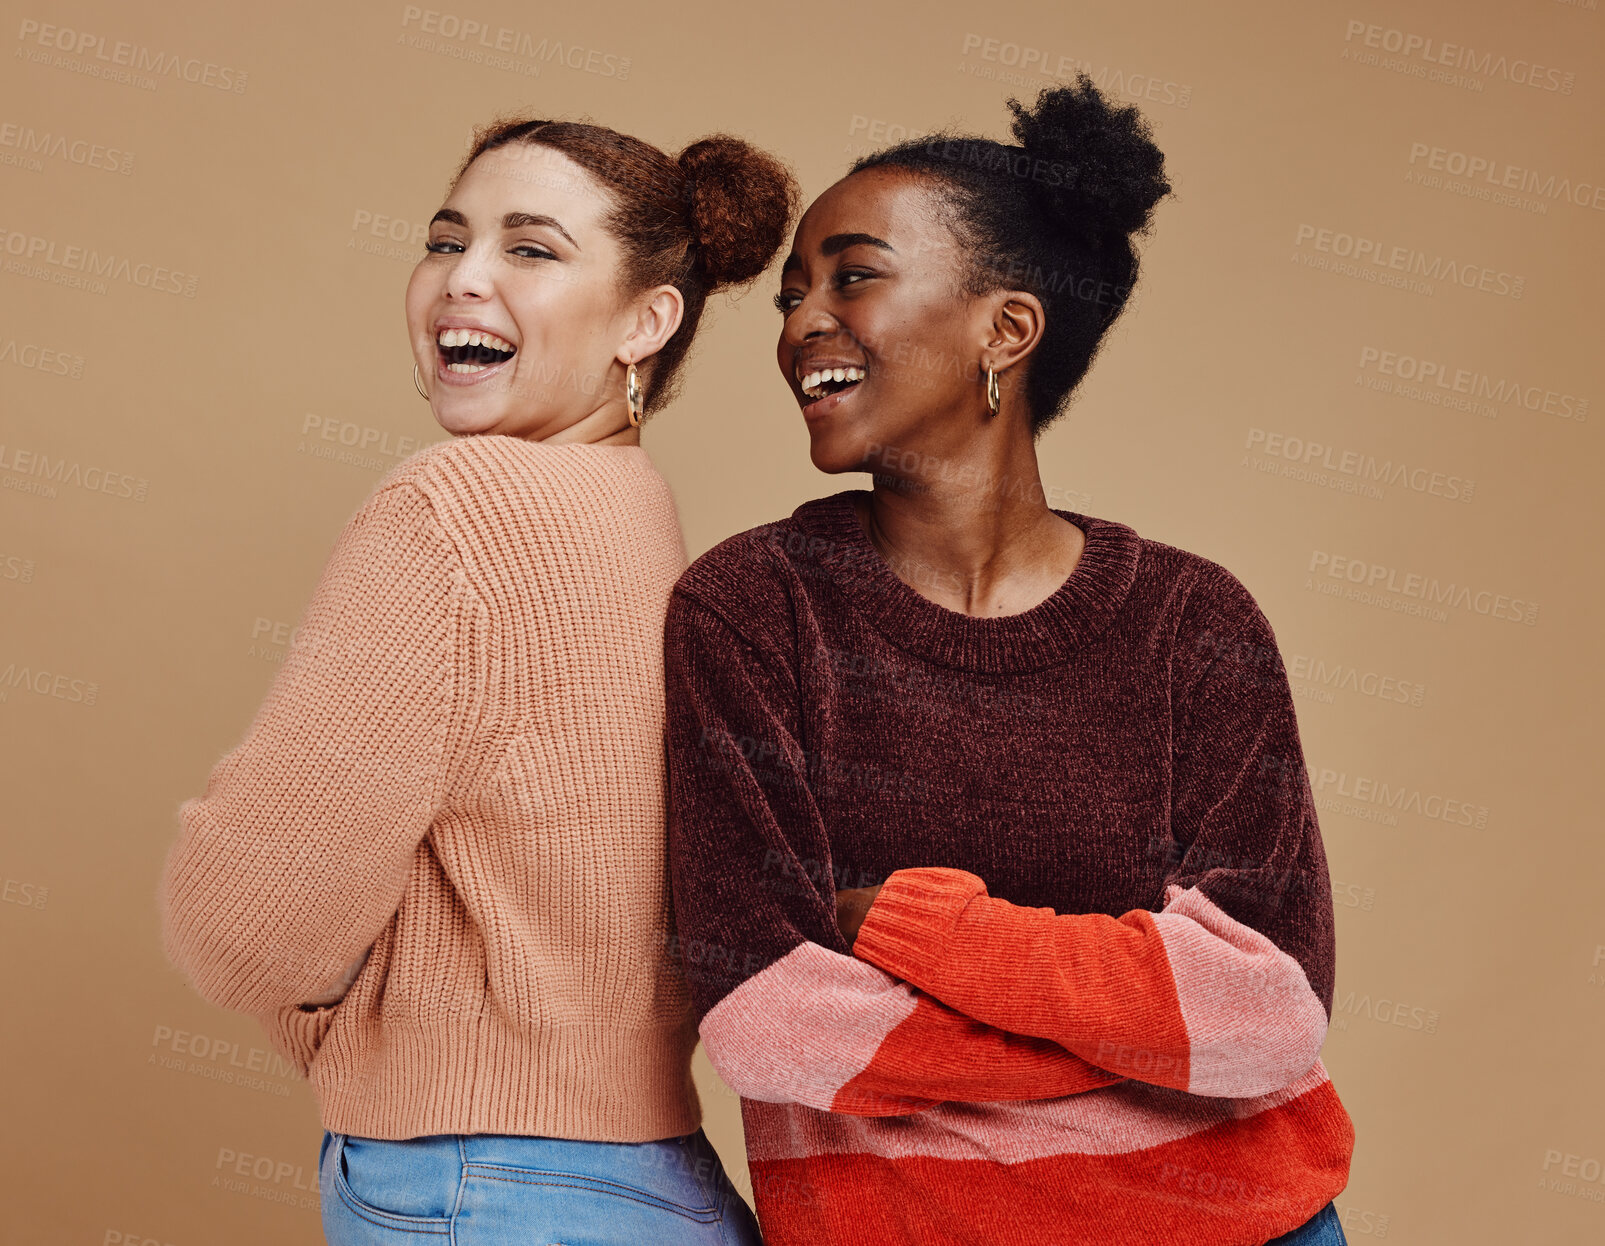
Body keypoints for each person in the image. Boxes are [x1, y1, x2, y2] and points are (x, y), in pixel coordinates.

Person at [662, 77, 1354, 1246]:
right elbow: (767, 1020)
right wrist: (1141, 1028)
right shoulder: (748, 612)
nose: (800, 324)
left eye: (854, 274)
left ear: (1007, 328)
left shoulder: (1195, 622)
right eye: (791, 295)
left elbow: (1270, 1013)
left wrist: (917, 930)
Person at [158, 113, 796, 1245]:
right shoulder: (639, 514)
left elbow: (246, 927)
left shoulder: (460, 507)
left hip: (482, 1188)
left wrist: (332, 994)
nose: (466, 280)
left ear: (648, 321)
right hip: (647, 1178)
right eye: (447, 240)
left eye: (532, 249)